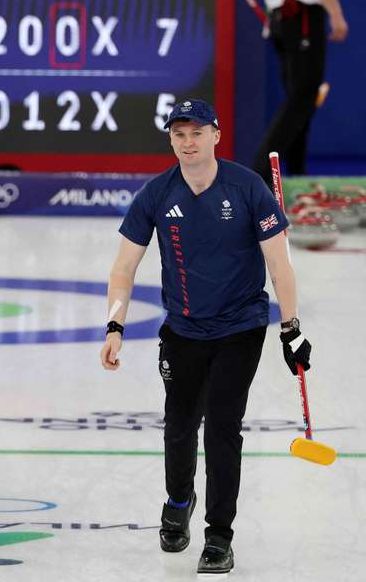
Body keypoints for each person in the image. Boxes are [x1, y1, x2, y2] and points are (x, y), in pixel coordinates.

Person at [99, 100, 312, 575]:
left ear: (216, 135)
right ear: (171, 140)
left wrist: (291, 329)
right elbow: (124, 267)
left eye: (197, 132)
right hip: (183, 330)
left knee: (221, 427)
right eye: (179, 134)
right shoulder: (157, 194)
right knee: (178, 428)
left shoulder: (248, 188)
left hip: (241, 326)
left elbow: (280, 265)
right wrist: (115, 324)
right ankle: (179, 500)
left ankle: (219, 535)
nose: (188, 142)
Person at [252, 0, 348, 188]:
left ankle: (296, 175)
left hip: (282, 14)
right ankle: (259, 172)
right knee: (303, 96)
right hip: (300, 12)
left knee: (298, 98)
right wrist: (336, 13)